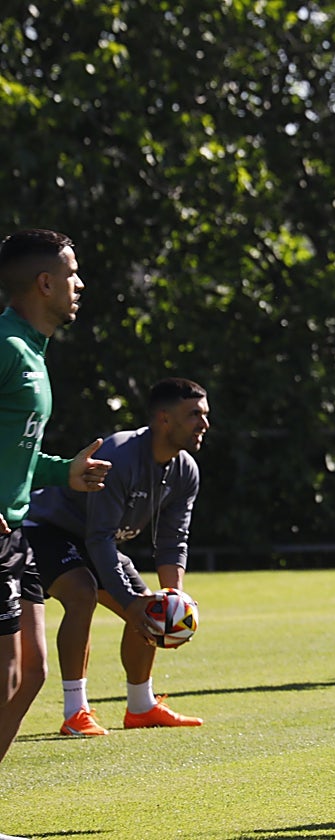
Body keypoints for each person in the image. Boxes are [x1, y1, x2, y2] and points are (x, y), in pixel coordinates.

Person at [0, 229, 111, 840]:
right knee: (7, 677)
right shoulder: (5, 347)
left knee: (35, 671)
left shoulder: (34, 351)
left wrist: (62, 470)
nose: (79, 285)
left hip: (16, 531)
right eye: (71, 274)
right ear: (44, 283)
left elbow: (18, 455)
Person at [25, 378, 211, 736]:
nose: (204, 424)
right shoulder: (121, 455)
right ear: (164, 419)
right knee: (83, 593)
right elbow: (98, 537)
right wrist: (130, 602)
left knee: (150, 607)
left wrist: (174, 599)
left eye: (205, 415)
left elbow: (173, 540)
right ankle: (74, 712)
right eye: (193, 415)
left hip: (98, 540)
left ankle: (141, 707)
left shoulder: (186, 470)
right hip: (46, 528)